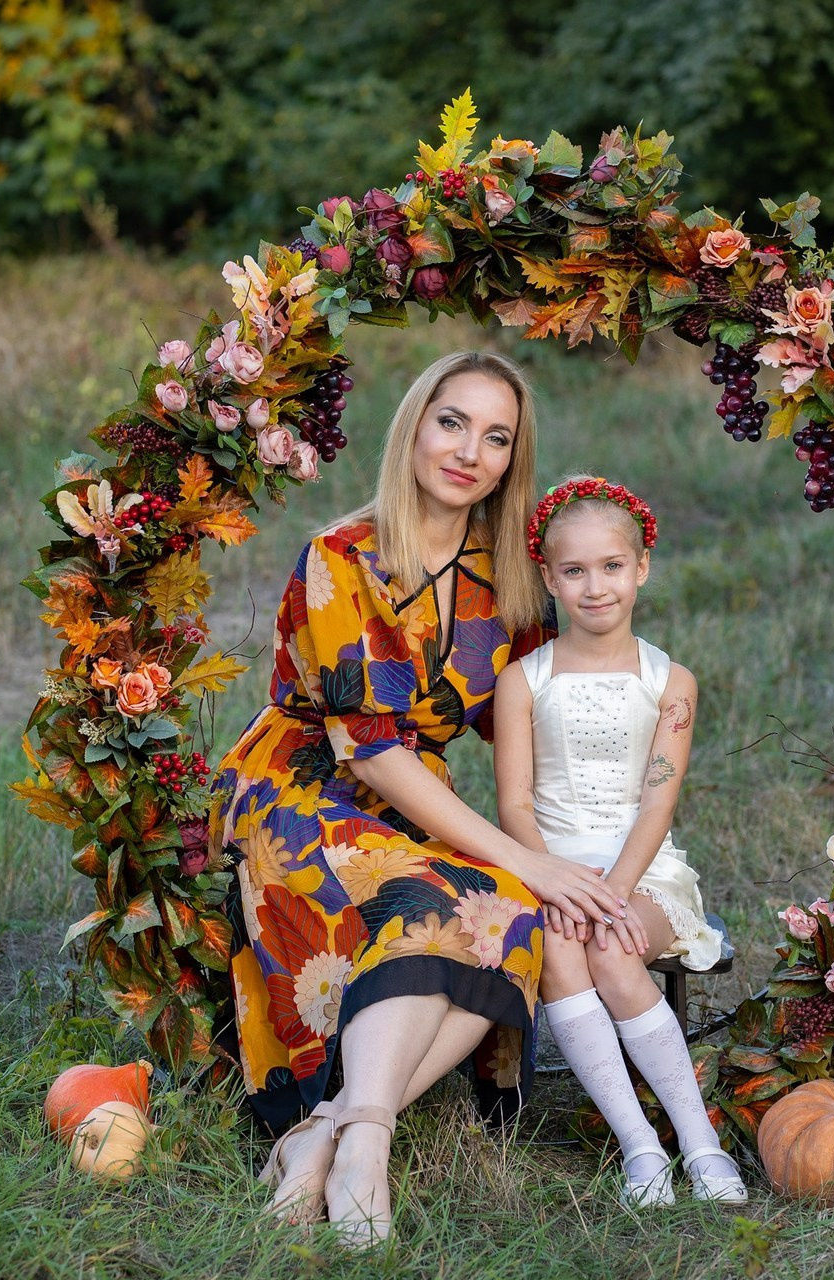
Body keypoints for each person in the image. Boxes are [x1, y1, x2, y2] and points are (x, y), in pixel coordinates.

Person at [209, 355, 628, 1243]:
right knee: (467, 891)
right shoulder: (342, 557)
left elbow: (539, 721)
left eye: (497, 436)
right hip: (299, 781)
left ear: (514, 460)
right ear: (413, 425)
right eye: (452, 422)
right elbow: (370, 750)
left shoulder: (509, 575)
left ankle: (337, 1132)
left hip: (412, 796)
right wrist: (521, 857)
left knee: (510, 907)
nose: (469, 450)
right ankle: (363, 1141)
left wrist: (610, 823)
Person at [493, 475, 748, 1207]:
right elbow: (514, 801)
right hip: (548, 865)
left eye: (612, 567)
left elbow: (656, 803)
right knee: (565, 950)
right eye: (574, 571)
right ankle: (640, 1147)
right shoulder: (525, 681)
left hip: (644, 867)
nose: (595, 587)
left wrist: (611, 890)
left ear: (642, 567)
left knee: (610, 940)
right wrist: (551, 878)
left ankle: (699, 1142)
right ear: (549, 577)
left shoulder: (671, 682)